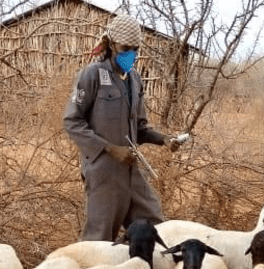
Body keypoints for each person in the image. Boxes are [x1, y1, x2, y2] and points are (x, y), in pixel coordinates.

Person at [63, 13, 181, 242]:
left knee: (156, 229)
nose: (132, 55)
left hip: (131, 170)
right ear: (111, 44)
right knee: (100, 238)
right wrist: (110, 149)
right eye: (126, 48)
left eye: (135, 49)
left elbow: (140, 128)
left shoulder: (135, 79)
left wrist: (164, 139)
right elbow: (72, 121)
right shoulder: (92, 74)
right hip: (103, 171)